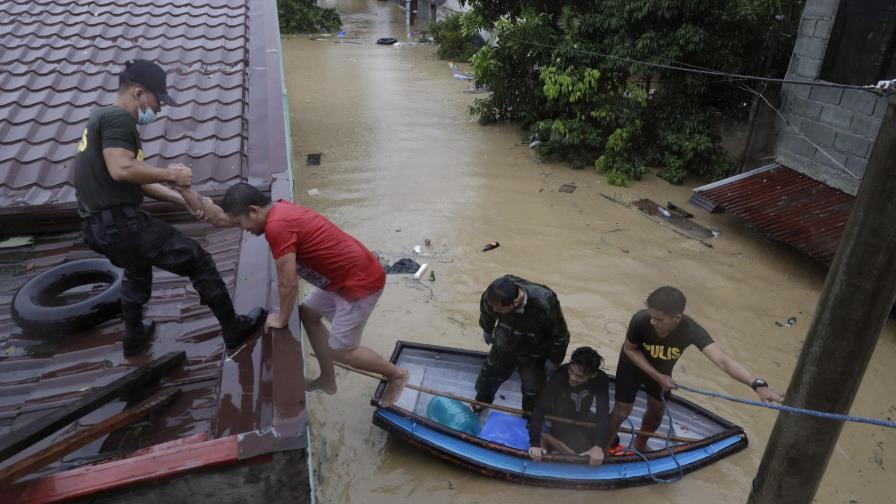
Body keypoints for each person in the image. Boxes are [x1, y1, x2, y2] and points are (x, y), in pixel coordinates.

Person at [73, 59, 266, 357]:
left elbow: (138, 181)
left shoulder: (99, 119)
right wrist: (172, 174)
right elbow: (121, 169)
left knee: (137, 269)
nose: (160, 108)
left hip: (97, 229)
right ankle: (233, 329)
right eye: (158, 99)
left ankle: (134, 337)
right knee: (198, 260)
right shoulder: (118, 118)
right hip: (119, 222)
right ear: (138, 93)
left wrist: (187, 199)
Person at [217, 182, 409, 406]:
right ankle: (328, 380)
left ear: (254, 210)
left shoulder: (276, 226)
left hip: (359, 283)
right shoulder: (279, 211)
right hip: (339, 279)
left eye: (242, 224)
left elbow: (288, 283)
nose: (244, 230)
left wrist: (281, 319)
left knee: (342, 352)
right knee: (308, 314)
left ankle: (397, 375)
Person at [606, 286, 784, 454]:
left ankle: (640, 444)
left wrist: (757, 385)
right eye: (651, 316)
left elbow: (722, 360)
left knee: (657, 409)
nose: (652, 322)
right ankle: (607, 445)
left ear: (677, 318)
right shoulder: (640, 320)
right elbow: (630, 350)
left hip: (661, 374)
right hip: (633, 365)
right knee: (622, 410)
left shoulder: (691, 330)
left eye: (659, 319)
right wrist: (658, 376)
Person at [474, 275, 570, 414]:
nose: (494, 309)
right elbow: (487, 311)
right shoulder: (494, 294)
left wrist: (554, 359)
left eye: (498, 308)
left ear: (514, 303)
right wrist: (487, 329)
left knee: (533, 390)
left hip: (534, 350)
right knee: (488, 376)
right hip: (505, 341)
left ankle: (529, 417)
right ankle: (481, 403)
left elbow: (560, 335)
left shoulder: (545, 302)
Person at [528, 346, 608, 466]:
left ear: (593, 375)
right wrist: (534, 443)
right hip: (560, 419)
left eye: (580, 376)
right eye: (571, 371)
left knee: (605, 442)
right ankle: (546, 437)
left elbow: (603, 412)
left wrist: (598, 446)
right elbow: (540, 408)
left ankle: (594, 447)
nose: (572, 377)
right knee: (582, 458)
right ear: (570, 364)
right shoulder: (561, 374)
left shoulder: (601, 378)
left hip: (583, 417)